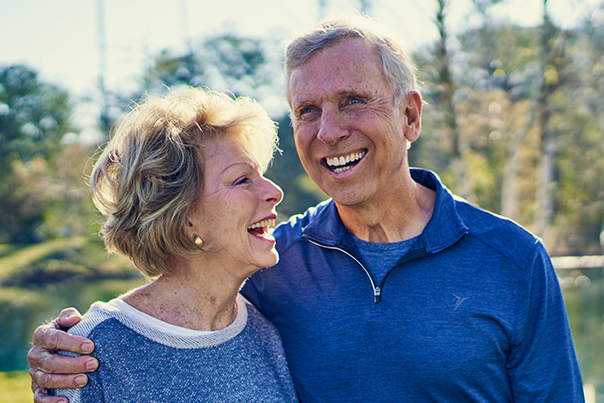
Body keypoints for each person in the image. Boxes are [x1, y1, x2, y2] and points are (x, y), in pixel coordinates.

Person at [29, 17, 584, 402]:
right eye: (307, 110)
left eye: (353, 101)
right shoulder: (274, 266)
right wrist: (68, 352)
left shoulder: (513, 260)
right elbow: (177, 314)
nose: (328, 131)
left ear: (410, 116)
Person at [40, 87, 298, 402]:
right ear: (184, 215)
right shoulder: (90, 353)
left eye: (262, 175)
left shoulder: (267, 335)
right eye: (243, 180)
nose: (275, 191)